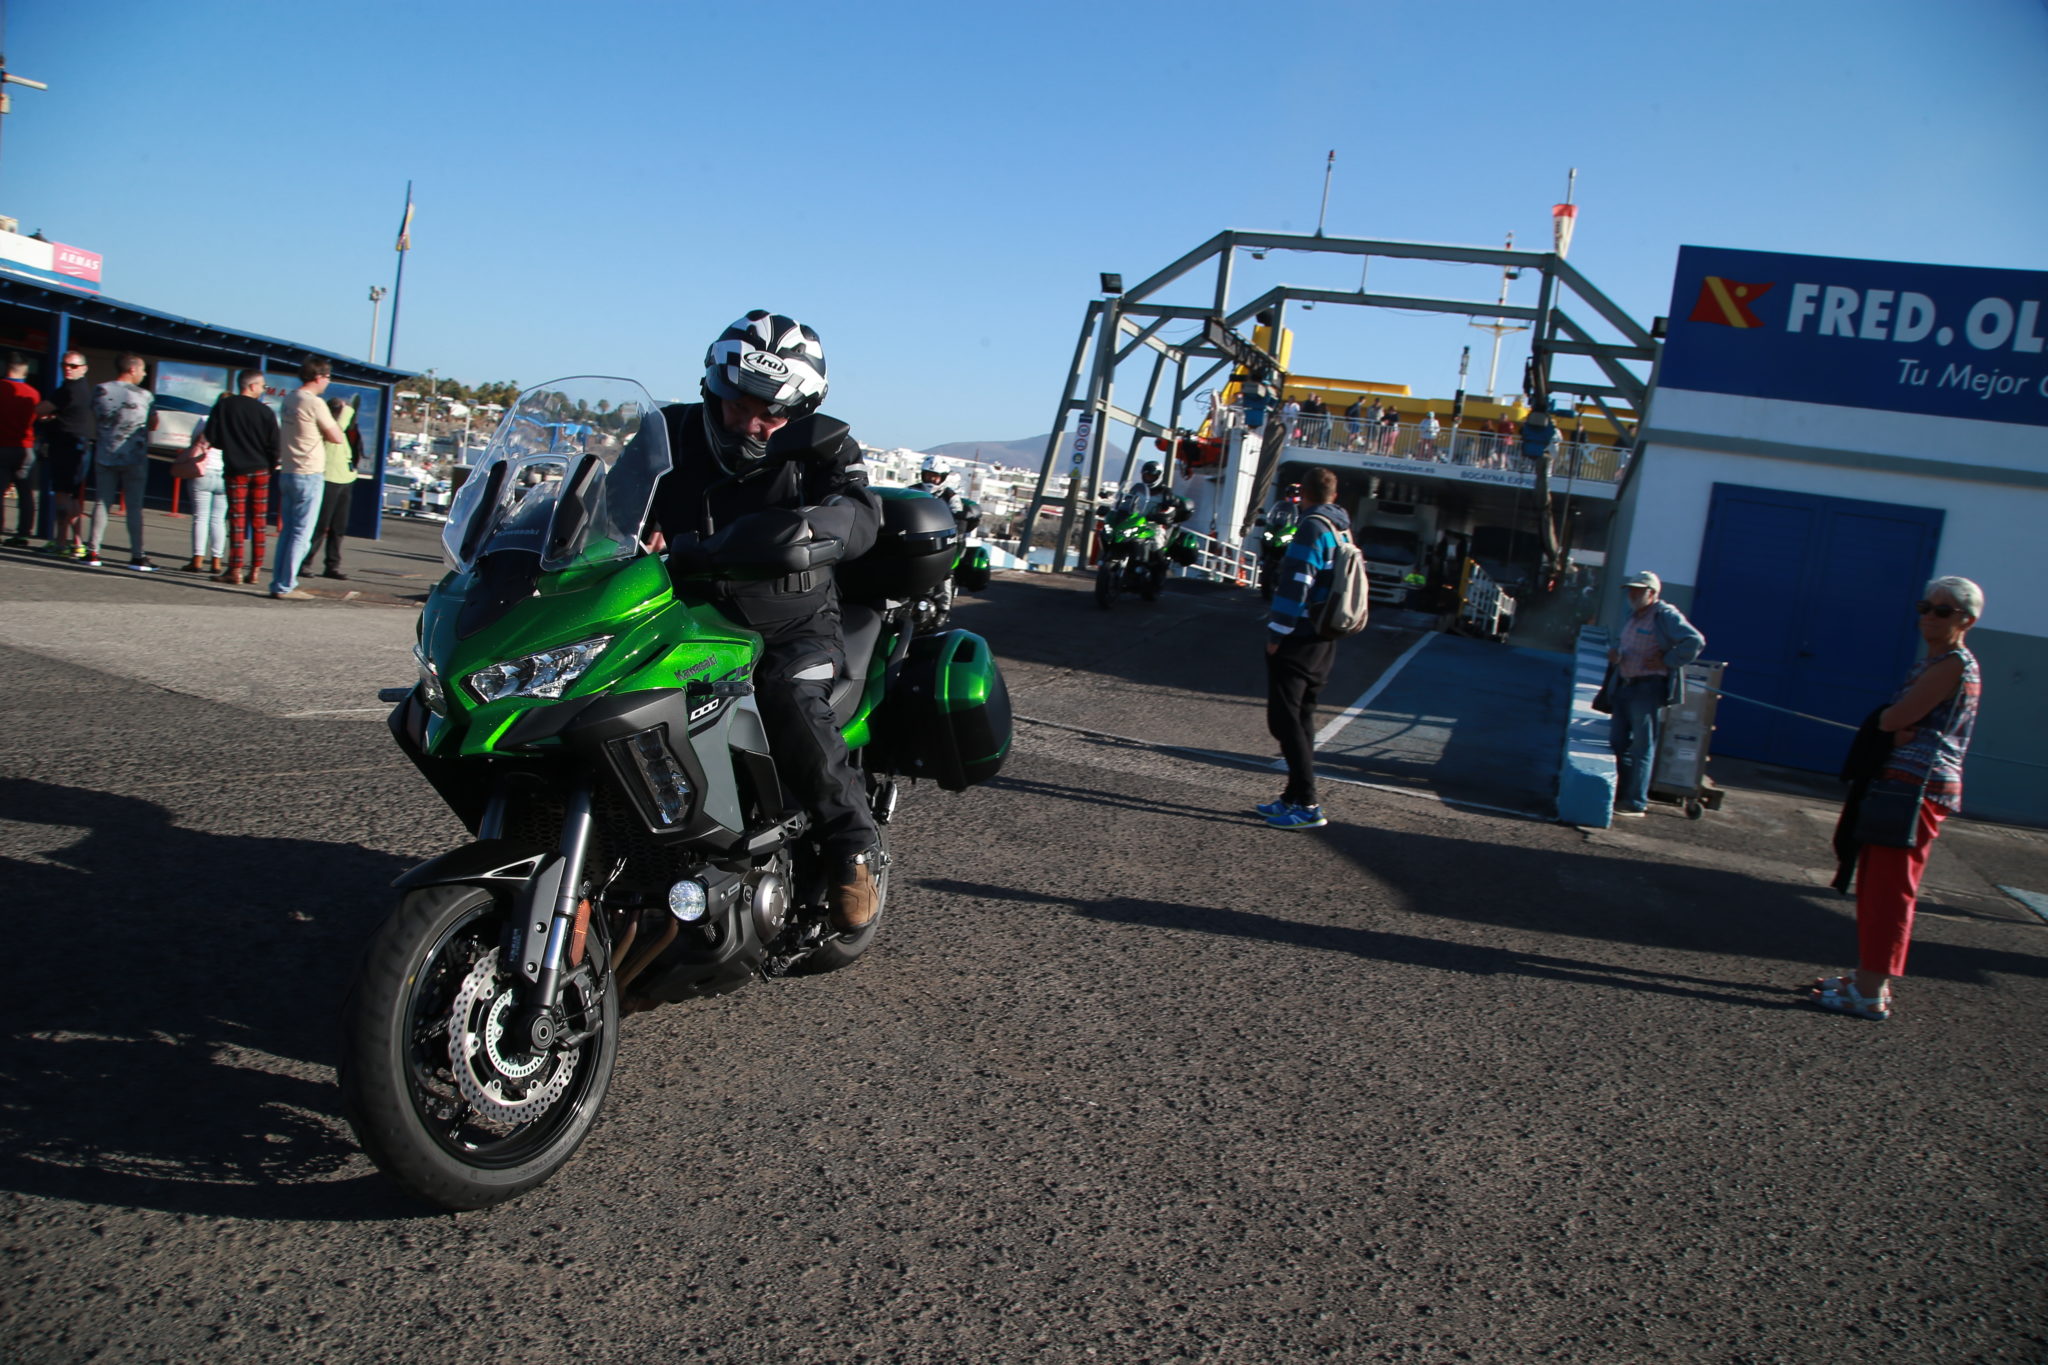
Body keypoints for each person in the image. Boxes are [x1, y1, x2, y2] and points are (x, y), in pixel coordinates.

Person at [646, 310, 884, 930]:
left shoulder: (826, 447)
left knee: (788, 689)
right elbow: (606, 504)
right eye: (740, 404)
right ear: (714, 387)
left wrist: (810, 528)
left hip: (789, 621)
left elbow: (860, 514)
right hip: (684, 610)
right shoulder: (665, 434)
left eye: (770, 414)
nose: (751, 423)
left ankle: (852, 845)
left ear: (798, 413)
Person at [1809, 577, 1984, 1023]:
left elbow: (1896, 717)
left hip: (1916, 788)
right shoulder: (1935, 662)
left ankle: (1871, 990)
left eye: (1942, 611)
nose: (1929, 616)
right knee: (1875, 882)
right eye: (1925, 606)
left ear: (1967, 620)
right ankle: (1866, 976)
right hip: (1901, 783)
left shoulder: (1952, 665)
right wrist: (1891, 725)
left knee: (1890, 887)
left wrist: (1889, 722)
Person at [1258, 465, 1351, 830]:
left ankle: (1308, 803)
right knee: (1304, 717)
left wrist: (1277, 634)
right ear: (1334, 496)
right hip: (1325, 636)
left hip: (1299, 636)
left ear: (1305, 496)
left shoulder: (1311, 527)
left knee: (1284, 719)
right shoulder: (1341, 529)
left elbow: (1297, 583)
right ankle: (1292, 797)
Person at [1605, 570, 1706, 817]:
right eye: (1631, 590)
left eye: (1638, 591)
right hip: (1626, 685)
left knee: (1641, 746)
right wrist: (1617, 656)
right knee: (1619, 743)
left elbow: (1695, 641)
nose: (1632, 594)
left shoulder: (1665, 615)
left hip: (1647, 688)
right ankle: (1620, 795)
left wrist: (1669, 659)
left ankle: (1635, 801)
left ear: (1652, 593)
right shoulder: (1633, 615)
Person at [271, 359, 345, 600]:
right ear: (319, 377)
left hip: (289, 470)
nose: (328, 382)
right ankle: (286, 584)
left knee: (288, 531)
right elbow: (336, 436)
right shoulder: (314, 403)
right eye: (328, 377)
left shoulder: (290, 399)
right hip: (309, 471)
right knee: (302, 533)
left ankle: (279, 580)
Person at [205, 369, 281, 585]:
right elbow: (274, 445)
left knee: (237, 520)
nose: (263, 390)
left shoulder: (224, 406)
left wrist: (229, 445)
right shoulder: (265, 412)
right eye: (263, 386)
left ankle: (235, 570)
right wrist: (270, 464)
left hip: (235, 468)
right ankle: (255, 569)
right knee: (259, 521)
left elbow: (212, 437)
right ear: (252, 386)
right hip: (261, 470)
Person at [89, 352, 157, 571]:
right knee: (134, 507)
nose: (144, 374)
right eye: (143, 370)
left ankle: (93, 551)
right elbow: (153, 423)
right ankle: (137, 555)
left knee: (102, 502)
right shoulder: (144, 395)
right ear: (132, 369)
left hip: (105, 452)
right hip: (134, 456)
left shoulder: (100, 390)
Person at [34, 350, 96, 558]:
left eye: (73, 366)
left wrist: (47, 416)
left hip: (67, 448)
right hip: (80, 447)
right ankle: (70, 542)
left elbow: (40, 409)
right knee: (73, 496)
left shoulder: (68, 390)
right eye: (65, 365)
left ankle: (68, 542)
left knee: (63, 497)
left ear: (84, 368)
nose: (68, 369)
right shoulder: (83, 390)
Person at [299, 394, 359, 579]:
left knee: (338, 527)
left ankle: (332, 565)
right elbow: (340, 425)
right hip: (329, 479)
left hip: (345, 479)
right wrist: (347, 407)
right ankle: (305, 562)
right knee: (320, 525)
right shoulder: (327, 430)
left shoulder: (347, 431)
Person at [0, 352, 39, 546]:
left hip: (2, 446)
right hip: (26, 448)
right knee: (26, 493)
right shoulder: (33, 393)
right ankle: (23, 533)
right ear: (25, 368)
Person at [181, 422, 228, 573]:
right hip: (224, 474)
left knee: (200, 518)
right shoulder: (235, 422)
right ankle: (216, 561)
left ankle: (197, 559)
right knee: (219, 520)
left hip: (203, 470)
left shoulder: (205, 420)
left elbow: (194, 441)